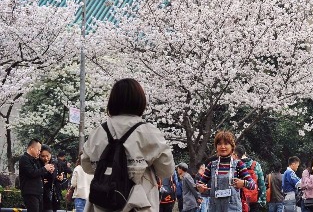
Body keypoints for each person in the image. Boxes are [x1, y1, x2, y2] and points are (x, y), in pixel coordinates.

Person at [81, 78, 175, 212]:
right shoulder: (148, 132)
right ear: (140, 101)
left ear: (112, 101)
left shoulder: (98, 132)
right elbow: (166, 170)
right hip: (138, 204)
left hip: (102, 203)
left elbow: (87, 166)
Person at [195, 130, 256, 212]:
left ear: (232, 147)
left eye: (226, 144)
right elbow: (199, 184)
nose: (222, 146)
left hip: (233, 208)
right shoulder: (211, 165)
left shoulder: (239, 165)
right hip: (214, 208)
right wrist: (200, 187)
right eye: (219, 144)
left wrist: (243, 183)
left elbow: (253, 186)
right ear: (216, 147)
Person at [19, 139, 55, 212]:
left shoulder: (35, 160)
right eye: (38, 150)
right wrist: (45, 168)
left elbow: (39, 173)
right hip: (31, 192)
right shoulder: (24, 158)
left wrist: (49, 171)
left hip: (38, 193)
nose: (39, 152)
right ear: (32, 148)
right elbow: (32, 173)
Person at [234, 145, 266, 212]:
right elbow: (261, 183)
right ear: (245, 153)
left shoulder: (235, 165)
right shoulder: (256, 165)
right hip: (254, 199)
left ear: (235, 154)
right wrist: (262, 200)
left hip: (239, 199)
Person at [40, 145, 62, 212]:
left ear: (50, 154)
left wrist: (60, 178)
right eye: (43, 156)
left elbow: (59, 175)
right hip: (42, 195)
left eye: (47, 156)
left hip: (54, 195)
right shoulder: (37, 164)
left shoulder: (55, 163)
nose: (46, 158)